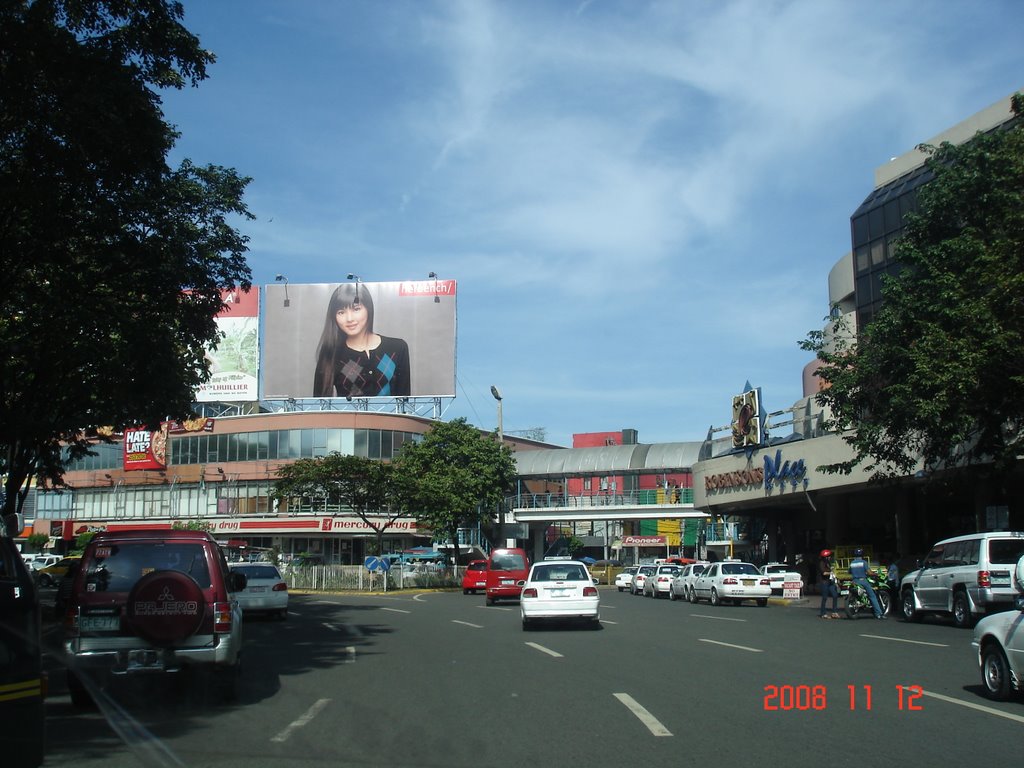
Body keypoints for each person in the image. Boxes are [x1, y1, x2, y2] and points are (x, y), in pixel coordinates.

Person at [312, 282, 411, 398]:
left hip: (390, 416)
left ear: (368, 308)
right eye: (341, 312)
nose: (349, 319)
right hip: (347, 416)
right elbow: (320, 406)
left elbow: (405, 402)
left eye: (356, 309)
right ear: (334, 317)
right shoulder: (331, 352)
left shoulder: (397, 348)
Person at [850, 548, 885, 619]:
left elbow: (849, 572)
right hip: (863, 581)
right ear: (862, 555)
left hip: (854, 581)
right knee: (872, 596)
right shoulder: (864, 562)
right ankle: (879, 614)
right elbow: (869, 573)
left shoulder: (852, 563)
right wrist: (875, 574)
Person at [818, 549, 840, 619]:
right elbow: (823, 573)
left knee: (835, 595)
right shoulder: (821, 563)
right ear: (826, 557)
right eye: (829, 556)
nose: (830, 557)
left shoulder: (828, 563)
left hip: (830, 581)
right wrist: (831, 573)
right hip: (824, 582)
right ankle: (823, 613)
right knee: (825, 597)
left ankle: (834, 612)